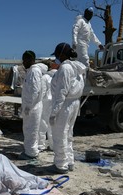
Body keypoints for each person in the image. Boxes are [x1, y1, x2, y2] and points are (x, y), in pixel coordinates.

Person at [49, 42, 87, 174]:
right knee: (68, 134)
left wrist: (54, 112)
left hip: (65, 104)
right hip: (74, 102)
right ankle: (69, 161)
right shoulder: (77, 67)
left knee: (60, 134)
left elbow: (61, 92)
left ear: (61, 54)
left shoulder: (65, 69)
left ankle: (61, 165)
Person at [19, 51, 47, 160]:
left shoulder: (34, 71)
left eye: (24, 60)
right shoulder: (32, 71)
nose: (23, 62)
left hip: (32, 107)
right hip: (32, 106)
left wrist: (28, 107)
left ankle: (31, 153)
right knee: (30, 129)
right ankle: (31, 149)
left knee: (31, 130)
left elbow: (35, 91)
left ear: (30, 60)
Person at [38, 65, 57, 151]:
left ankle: (41, 145)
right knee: (53, 124)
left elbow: (43, 91)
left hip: (46, 102)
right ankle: (53, 145)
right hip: (55, 102)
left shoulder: (45, 77)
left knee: (43, 123)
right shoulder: (59, 75)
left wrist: (39, 102)